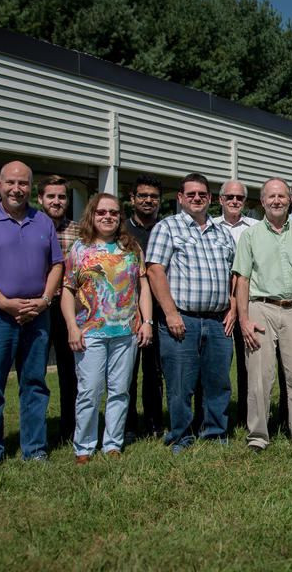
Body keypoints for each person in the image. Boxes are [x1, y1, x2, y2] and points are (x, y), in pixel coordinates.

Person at [0, 161, 63, 466]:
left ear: (31, 188)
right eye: (10, 183)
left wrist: (45, 300)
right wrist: (4, 302)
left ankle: (35, 449)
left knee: (35, 384)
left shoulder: (43, 222)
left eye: (23, 184)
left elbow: (57, 264)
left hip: (37, 315)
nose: (16, 189)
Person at [146, 173, 236, 453]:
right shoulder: (168, 227)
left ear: (210, 199)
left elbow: (235, 273)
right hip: (182, 318)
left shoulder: (222, 232)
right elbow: (155, 270)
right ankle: (181, 436)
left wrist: (233, 306)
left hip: (219, 320)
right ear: (181, 198)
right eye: (191, 194)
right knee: (180, 383)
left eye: (202, 194)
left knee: (218, 382)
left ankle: (215, 433)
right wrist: (170, 312)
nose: (197, 198)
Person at [62, 193, 153, 463]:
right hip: (90, 332)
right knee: (89, 391)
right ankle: (84, 447)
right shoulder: (79, 249)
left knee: (120, 391)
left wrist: (146, 321)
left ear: (120, 217)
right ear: (92, 215)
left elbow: (143, 286)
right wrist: (71, 327)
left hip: (125, 332)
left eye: (113, 212)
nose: (108, 217)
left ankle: (112, 443)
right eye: (102, 212)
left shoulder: (131, 248)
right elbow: (67, 290)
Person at [234, 178, 292, 451]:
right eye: (271, 196)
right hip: (260, 307)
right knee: (260, 377)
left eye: (282, 196)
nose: (277, 201)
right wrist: (244, 319)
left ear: (290, 201)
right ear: (262, 201)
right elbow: (242, 280)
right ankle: (258, 436)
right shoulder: (250, 236)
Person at [36, 175, 81, 445]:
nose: (56, 201)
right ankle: (36, 432)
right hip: (39, 305)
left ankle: (70, 431)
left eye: (61, 197)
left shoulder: (77, 230)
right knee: (35, 372)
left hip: (69, 308)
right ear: (40, 199)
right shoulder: (30, 228)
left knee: (70, 372)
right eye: (51, 196)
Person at [212, 180, 258, 429]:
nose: (234, 201)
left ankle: (246, 417)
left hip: (248, 304)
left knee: (248, 364)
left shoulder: (256, 228)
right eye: (229, 197)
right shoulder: (209, 227)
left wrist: (237, 307)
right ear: (220, 200)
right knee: (217, 366)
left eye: (239, 198)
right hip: (215, 306)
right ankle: (214, 417)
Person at [125, 174, 165, 440]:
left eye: (153, 197)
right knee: (126, 373)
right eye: (143, 196)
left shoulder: (166, 229)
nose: (148, 201)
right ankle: (127, 426)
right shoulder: (122, 231)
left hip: (159, 311)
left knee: (154, 372)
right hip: (126, 312)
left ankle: (153, 423)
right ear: (133, 199)